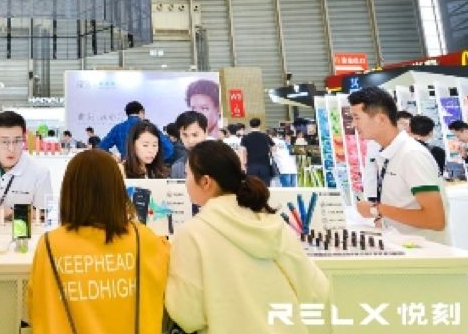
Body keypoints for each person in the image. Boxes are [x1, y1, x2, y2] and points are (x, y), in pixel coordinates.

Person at [165, 140, 329, 333]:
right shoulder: (273, 225)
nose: (185, 182)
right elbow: (317, 290)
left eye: (187, 175)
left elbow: (187, 314)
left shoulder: (191, 234)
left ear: (206, 182)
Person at [27, 150, 169, 334]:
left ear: (70, 192)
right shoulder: (143, 238)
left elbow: (36, 305)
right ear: (117, 190)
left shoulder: (49, 244)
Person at [351, 87, 450, 244]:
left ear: (381, 119)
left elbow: (436, 220)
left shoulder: (411, 154)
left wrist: (376, 209)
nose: (353, 124)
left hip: (425, 253)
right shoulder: (389, 152)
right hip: (403, 247)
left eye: (357, 118)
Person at [98, 101, 173, 162]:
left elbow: (101, 147)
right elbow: (169, 149)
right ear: (141, 112)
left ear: (127, 113)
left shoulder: (118, 128)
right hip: (146, 167)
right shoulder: (148, 127)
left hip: (126, 166)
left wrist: (113, 156)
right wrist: (153, 160)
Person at [170, 111, 209, 179]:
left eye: (195, 135)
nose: (190, 141)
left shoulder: (220, 162)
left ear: (206, 132)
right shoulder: (177, 167)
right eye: (185, 135)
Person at [240, 118, 272, 185]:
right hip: (265, 165)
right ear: (259, 125)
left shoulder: (245, 137)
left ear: (250, 125)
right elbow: (274, 148)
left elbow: (242, 151)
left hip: (251, 165)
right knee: (265, 186)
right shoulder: (265, 136)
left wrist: (242, 165)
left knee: (252, 186)